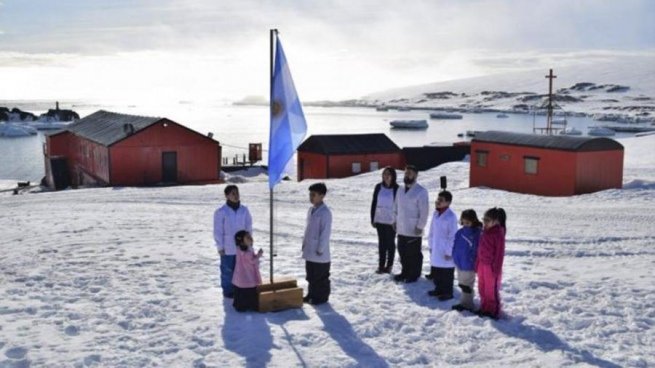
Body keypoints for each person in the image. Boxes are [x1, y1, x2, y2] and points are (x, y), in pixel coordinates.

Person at [213, 185, 253, 299]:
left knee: (241, 269)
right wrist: (220, 247)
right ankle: (228, 291)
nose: (236, 196)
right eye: (233, 194)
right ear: (226, 196)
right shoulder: (221, 212)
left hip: (242, 246)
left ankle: (239, 288)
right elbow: (218, 231)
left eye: (237, 193)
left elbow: (248, 226)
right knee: (228, 270)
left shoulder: (244, 210)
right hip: (228, 247)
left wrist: (249, 242)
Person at [392, 165, 430, 283]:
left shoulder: (421, 191)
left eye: (409, 173)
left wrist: (420, 226)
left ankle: (414, 274)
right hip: (401, 227)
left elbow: (424, 211)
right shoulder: (400, 189)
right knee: (402, 251)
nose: (407, 175)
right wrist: (394, 220)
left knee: (413, 253)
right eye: (405, 173)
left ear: (415, 175)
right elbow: (395, 206)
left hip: (414, 228)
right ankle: (405, 272)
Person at [302, 182, 332, 305]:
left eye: (313, 194)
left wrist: (320, 249)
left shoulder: (325, 213)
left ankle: (321, 297)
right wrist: (304, 244)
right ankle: (311, 294)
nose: (311, 197)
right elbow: (307, 229)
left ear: (322, 195)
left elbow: (325, 233)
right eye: (310, 194)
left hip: (320, 252)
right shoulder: (311, 210)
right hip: (310, 250)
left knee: (320, 277)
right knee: (311, 275)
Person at [476, 207, 507, 319]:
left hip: (491, 267)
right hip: (481, 265)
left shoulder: (498, 234)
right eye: (484, 219)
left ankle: (493, 310)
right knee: (482, 287)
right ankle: (484, 307)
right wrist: (477, 264)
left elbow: (499, 254)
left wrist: (496, 269)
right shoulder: (484, 231)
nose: (485, 222)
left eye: (488, 220)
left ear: (496, 221)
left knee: (490, 290)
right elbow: (480, 249)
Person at [427, 190, 458, 300]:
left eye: (441, 200)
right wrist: (430, 245)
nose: (437, 202)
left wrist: (449, 251)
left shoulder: (451, 217)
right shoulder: (436, 213)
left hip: (446, 250)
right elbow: (431, 231)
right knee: (437, 271)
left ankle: (448, 292)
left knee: (447, 272)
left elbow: (453, 236)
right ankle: (438, 289)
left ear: (448, 202)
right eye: (437, 199)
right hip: (436, 247)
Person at [451, 209, 483, 312]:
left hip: (468, 264)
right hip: (459, 262)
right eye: (463, 222)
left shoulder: (476, 234)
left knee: (466, 285)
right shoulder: (460, 232)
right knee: (462, 283)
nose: (465, 224)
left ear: (473, 221)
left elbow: (478, 249)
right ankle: (465, 301)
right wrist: (454, 255)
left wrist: (473, 260)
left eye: (468, 222)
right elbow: (455, 244)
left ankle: (467, 305)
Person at [370, 167, 399, 274]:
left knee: (390, 243)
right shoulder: (378, 187)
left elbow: (399, 206)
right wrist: (373, 218)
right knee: (381, 243)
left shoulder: (397, 189)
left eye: (388, 174)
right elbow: (374, 202)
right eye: (384, 174)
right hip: (380, 219)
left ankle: (389, 265)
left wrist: (397, 221)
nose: (386, 176)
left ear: (393, 176)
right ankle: (381, 265)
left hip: (391, 221)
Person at [232, 230, 263, 312]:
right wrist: (259, 255)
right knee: (249, 290)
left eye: (250, 237)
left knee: (241, 291)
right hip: (247, 276)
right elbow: (252, 261)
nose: (250, 239)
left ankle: (240, 304)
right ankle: (250, 305)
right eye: (248, 238)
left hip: (240, 276)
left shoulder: (240, 249)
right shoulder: (246, 252)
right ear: (241, 242)